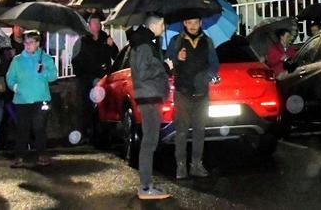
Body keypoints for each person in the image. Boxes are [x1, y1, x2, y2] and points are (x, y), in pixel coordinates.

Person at [167, 18, 221, 180]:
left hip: (202, 95)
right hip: (182, 93)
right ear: (184, 23)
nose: (192, 26)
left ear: (200, 23)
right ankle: (181, 166)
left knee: (199, 132)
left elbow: (214, 64)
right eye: (189, 22)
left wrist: (208, 76)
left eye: (195, 23)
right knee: (182, 132)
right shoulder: (176, 41)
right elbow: (167, 62)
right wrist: (177, 57)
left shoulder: (207, 42)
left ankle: (197, 165)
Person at [129, 15, 172, 200]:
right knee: (149, 142)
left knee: (150, 140)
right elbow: (144, 71)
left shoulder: (145, 42)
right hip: (149, 97)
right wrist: (164, 66)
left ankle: (147, 184)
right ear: (153, 25)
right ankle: (145, 187)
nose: (164, 27)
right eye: (162, 24)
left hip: (149, 95)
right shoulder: (145, 45)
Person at [5, 30, 57, 168]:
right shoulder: (17, 60)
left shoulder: (45, 59)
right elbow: (10, 78)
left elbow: (53, 76)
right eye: (26, 42)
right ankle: (19, 156)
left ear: (38, 43)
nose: (27, 45)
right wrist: (15, 87)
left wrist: (44, 71)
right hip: (22, 100)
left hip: (41, 98)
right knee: (22, 128)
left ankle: (41, 154)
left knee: (40, 128)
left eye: (31, 42)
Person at [71, 15, 119, 143]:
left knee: (104, 106)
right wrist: (85, 76)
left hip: (104, 79)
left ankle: (103, 134)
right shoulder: (83, 41)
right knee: (86, 107)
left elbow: (116, 55)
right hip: (87, 80)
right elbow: (75, 62)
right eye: (94, 23)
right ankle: (86, 133)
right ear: (88, 25)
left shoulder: (105, 38)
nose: (97, 25)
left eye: (98, 22)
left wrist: (111, 46)